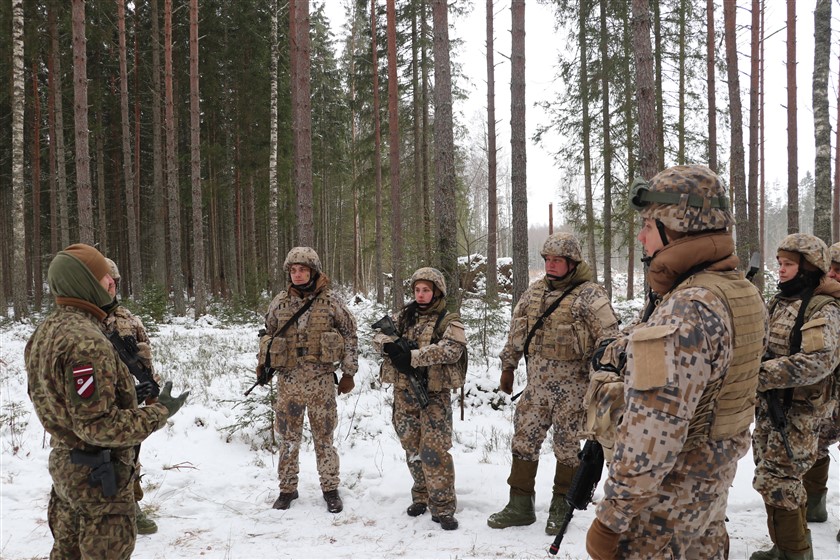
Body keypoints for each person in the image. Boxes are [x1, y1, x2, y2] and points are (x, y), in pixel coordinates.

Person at [586, 165, 767, 559]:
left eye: (647, 225)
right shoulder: (741, 292)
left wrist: (611, 517)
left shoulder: (688, 309)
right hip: (708, 490)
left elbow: (651, 435)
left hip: (662, 508)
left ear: (676, 226)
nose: (641, 237)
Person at [25, 243, 187, 559]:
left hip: (67, 469)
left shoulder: (45, 332)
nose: (112, 282)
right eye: (103, 276)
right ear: (83, 282)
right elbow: (98, 427)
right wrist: (159, 412)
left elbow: (58, 403)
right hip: (98, 481)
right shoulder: (87, 342)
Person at [488, 232, 619, 535]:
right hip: (536, 389)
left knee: (568, 448)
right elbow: (517, 331)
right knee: (523, 442)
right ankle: (519, 504)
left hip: (573, 391)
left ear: (572, 263)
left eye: (557, 260)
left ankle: (562, 504)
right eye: (547, 259)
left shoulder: (590, 295)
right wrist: (508, 366)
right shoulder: (534, 293)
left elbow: (610, 338)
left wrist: (605, 378)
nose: (550, 265)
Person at [751, 234, 840, 560]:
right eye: (780, 263)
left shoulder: (822, 308)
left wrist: (761, 374)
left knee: (780, 482)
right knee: (769, 477)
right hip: (771, 408)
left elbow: (818, 362)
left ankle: (795, 553)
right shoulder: (781, 302)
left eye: (788, 264)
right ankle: (786, 547)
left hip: (799, 414)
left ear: (808, 268)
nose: (781, 269)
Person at [260, 247, 358, 513]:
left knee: (324, 438)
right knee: (288, 438)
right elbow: (268, 335)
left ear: (313, 272)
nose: (298, 274)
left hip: (321, 381)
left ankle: (330, 489)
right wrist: (263, 365)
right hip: (289, 380)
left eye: (303, 270)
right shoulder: (280, 302)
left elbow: (350, 334)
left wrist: (349, 372)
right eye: (293, 270)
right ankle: (287, 489)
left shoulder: (331, 301)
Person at [373, 267, 467, 531]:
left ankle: (443, 506)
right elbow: (377, 336)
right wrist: (389, 346)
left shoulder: (449, 320)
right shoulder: (403, 317)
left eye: (426, 290)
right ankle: (421, 496)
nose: (421, 294)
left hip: (433, 396)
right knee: (412, 448)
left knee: (434, 450)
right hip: (404, 394)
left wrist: (413, 357)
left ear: (437, 291)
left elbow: (452, 350)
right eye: (417, 290)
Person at [101, 257, 160, 535]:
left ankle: (131, 504)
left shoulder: (129, 320)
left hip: (130, 399)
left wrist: (151, 390)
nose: (110, 287)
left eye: (114, 282)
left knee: (130, 452)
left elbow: (145, 359)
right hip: (97, 401)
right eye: (105, 282)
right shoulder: (83, 321)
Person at [800, 241, 840, 538]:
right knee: (816, 445)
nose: (834, 275)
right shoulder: (819, 301)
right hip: (826, 392)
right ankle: (814, 506)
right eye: (831, 269)